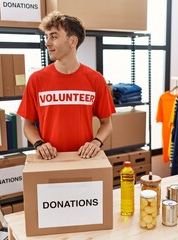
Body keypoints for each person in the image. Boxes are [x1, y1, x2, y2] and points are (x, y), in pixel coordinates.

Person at [17, 11, 115, 160]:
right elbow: (28, 125)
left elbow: (107, 124)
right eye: (47, 36)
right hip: (50, 161)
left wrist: (96, 142)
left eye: (54, 36)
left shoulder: (96, 79)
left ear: (72, 41)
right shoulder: (36, 80)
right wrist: (39, 144)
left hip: (84, 159)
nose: (47, 42)